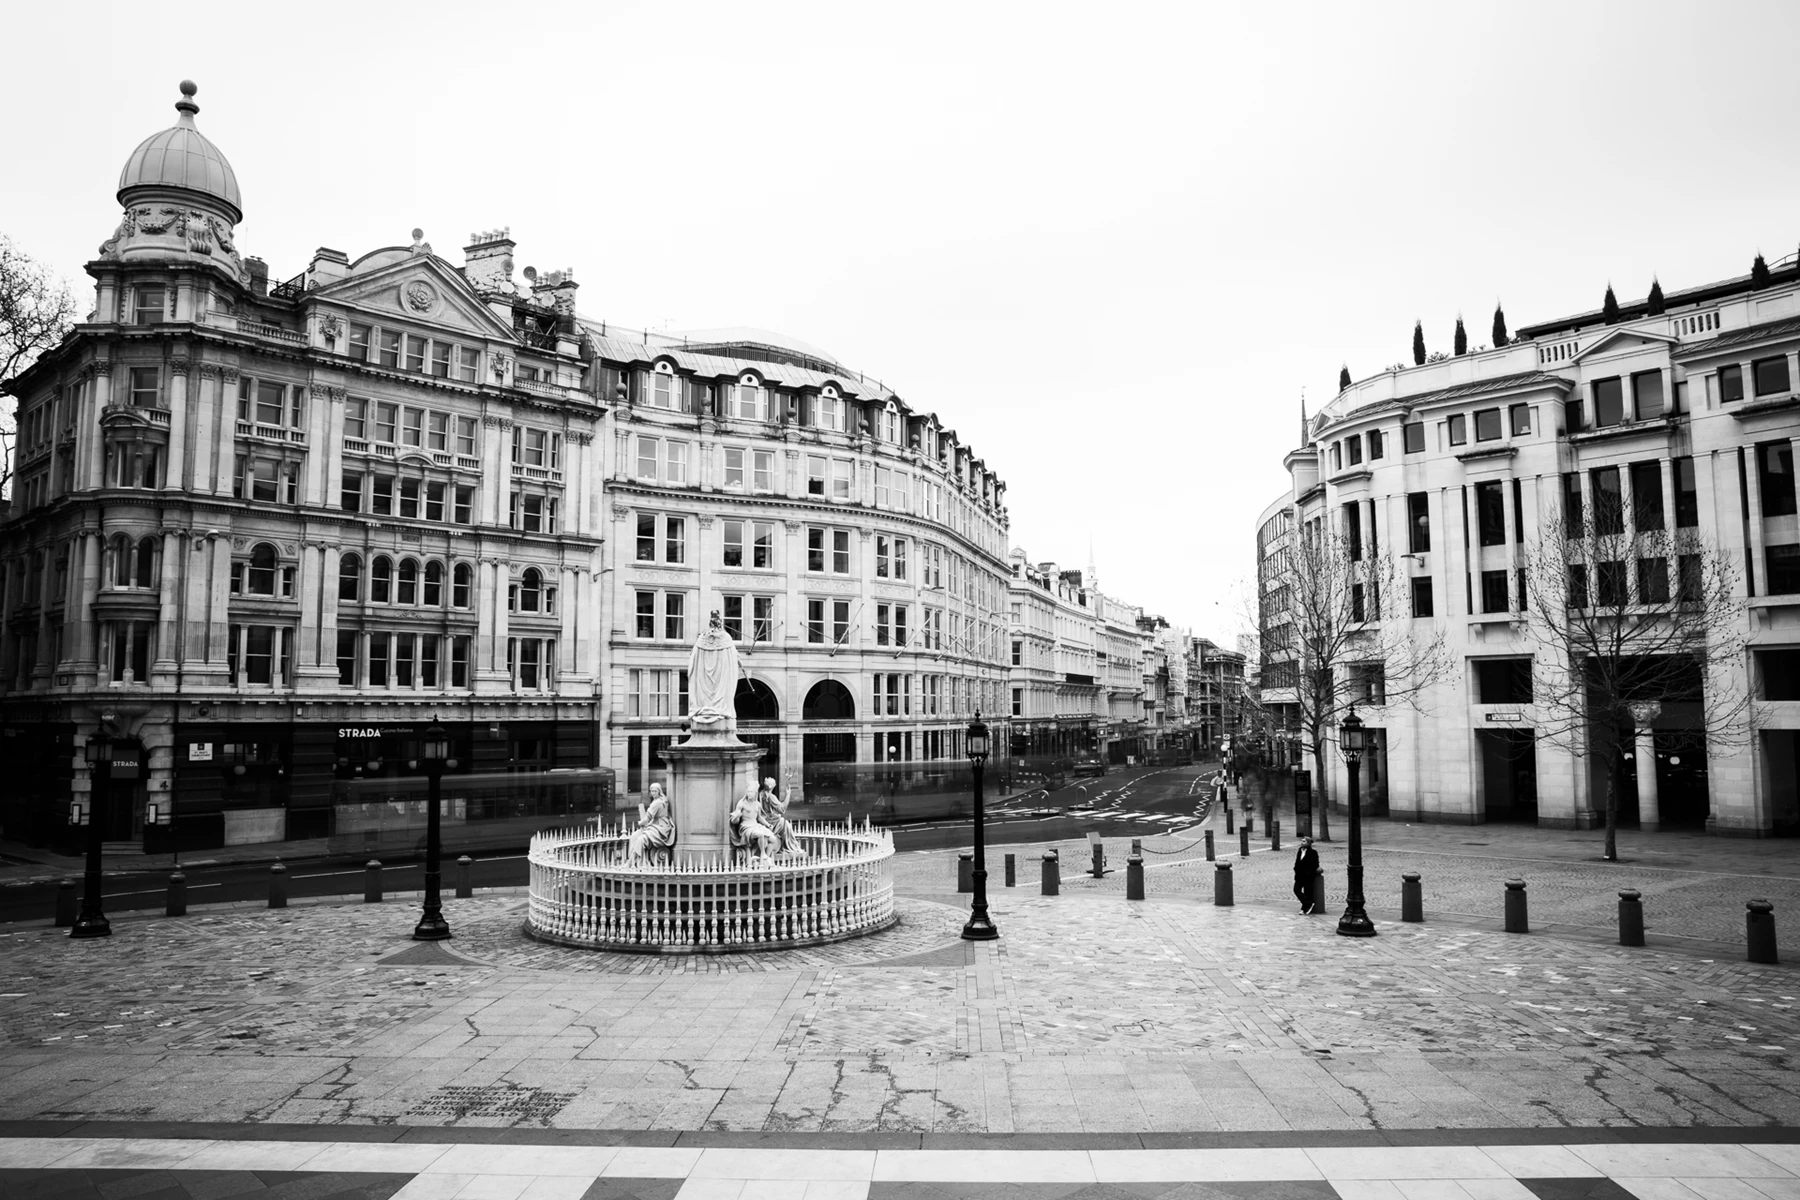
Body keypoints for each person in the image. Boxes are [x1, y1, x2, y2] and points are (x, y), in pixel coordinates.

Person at [628, 782, 676, 864]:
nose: (653, 793)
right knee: (634, 835)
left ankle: (631, 862)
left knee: (641, 839)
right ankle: (635, 860)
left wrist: (640, 823)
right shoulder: (660, 800)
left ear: (659, 791)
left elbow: (647, 819)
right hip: (655, 825)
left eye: (655, 791)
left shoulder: (657, 803)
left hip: (661, 828)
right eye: (652, 791)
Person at [758, 773, 803, 856]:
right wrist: (788, 794)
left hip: (767, 819)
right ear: (772, 786)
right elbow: (782, 809)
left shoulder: (761, 794)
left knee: (784, 823)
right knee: (785, 824)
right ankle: (791, 846)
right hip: (770, 820)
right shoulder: (771, 797)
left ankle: (787, 845)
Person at [730, 786, 775, 860]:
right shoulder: (741, 803)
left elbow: (759, 818)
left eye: (751, 792)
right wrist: (736, 817)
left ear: (755, 794)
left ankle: (764, 858)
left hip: (756, 825)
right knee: (760, 834)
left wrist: (768, 825)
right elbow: (734, 821)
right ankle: (763, 854)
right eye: (748, 792)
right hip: (746, 827)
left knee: (773, 839)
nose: (749, 794)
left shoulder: (757, 804)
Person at [1293, 835, 1320, 914]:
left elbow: (1315, 864)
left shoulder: (1313, 852)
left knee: (1307, 892)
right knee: (1296, 890)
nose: (1302, 842)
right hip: (1299, 875)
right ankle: (1308, 903)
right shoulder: (1299, 851)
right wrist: (1295, 869)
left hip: (1307, 876)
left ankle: (1304, 908)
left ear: (1308, 843)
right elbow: (1297, 862)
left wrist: (1309, 873)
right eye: (1302, 841)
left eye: (1304, 841)